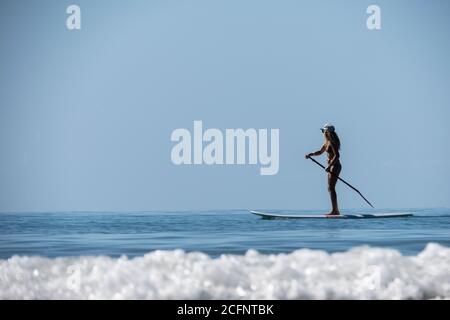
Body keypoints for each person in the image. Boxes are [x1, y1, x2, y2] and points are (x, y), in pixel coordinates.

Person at [305, 123, 342, 216]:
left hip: (335, 166)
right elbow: (320, 151)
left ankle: (335, 211)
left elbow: (337, 155)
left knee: (331, 188)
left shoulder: (332, 142)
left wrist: (329, 166)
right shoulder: (327, 142)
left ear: (327, 132)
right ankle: (335, 210)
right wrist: (311, 154)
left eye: (323, 131)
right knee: (330, 188)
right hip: (331, 166)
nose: (322, 133)